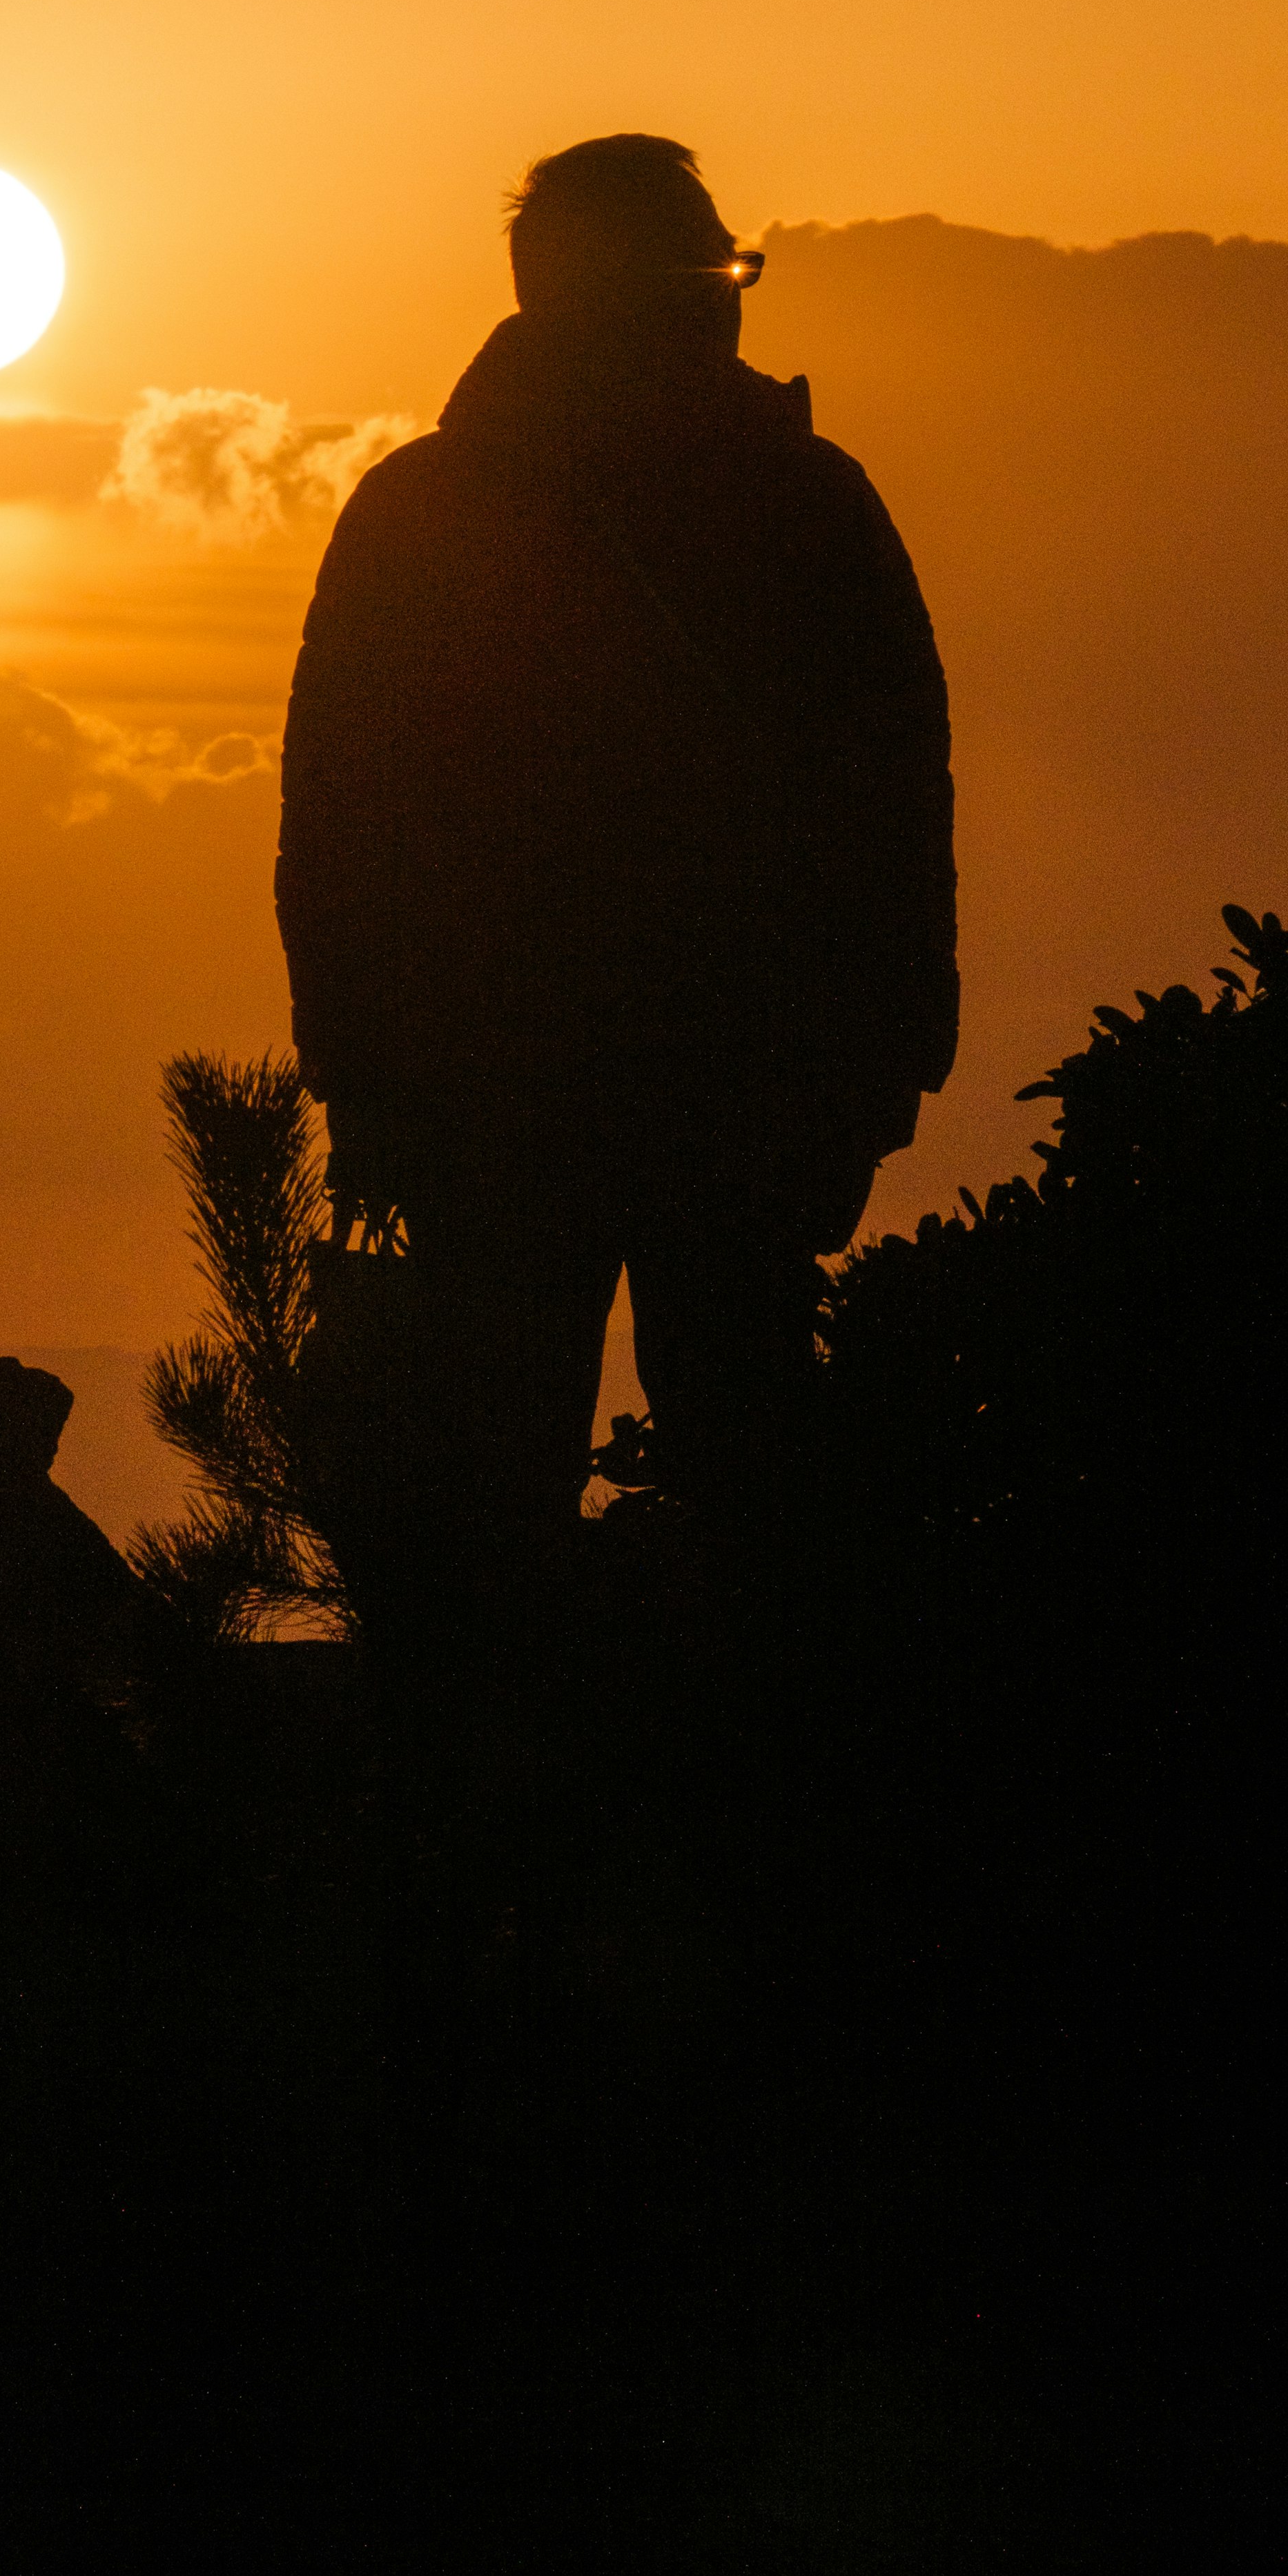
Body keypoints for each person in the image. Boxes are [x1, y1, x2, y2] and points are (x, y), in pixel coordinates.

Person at [275, 133, 955, 1601]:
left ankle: (497, 1803)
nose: (729, 299)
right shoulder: (805, 505)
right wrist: (887, 1054)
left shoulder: (423, 513)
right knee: (759, 1488)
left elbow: (335, 821)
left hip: (499, 1092)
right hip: (718, 1084)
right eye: (712, 269)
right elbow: (895, 795)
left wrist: (360, 1064)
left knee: (489, 1506)